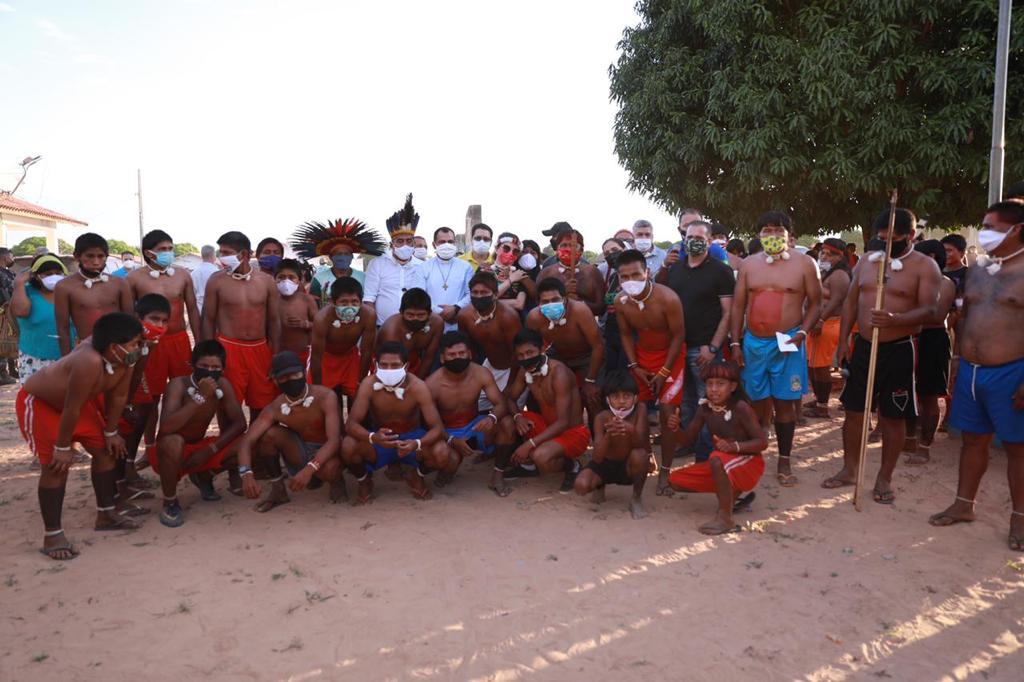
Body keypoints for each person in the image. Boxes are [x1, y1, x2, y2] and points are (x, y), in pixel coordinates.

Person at [822, 208, 941, 504]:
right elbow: (850, 303)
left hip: (900, 348)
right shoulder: (865, 261)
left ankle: (884, 477)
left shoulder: (925, 267)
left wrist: (896, 319)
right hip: (863, 346)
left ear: (911, 236)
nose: (887, 244)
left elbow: (930, 310)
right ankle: (850, 469)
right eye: (882, 238)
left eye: (895, 239)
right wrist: (842, 345)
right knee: (853, 410)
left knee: (893, 415)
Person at [929, 199, 1024, 550]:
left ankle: (1020, 519)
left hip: (1012, 371)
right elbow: (966, 315)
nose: (985, 232)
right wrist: (957, 359)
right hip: (970, 369)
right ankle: (964, 504)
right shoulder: (978, 268)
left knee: (1017, 448)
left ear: (1017, 230)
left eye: (992, 226)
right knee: (972, 440)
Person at [16, 312, 144, 560]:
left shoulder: (125, 358)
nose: (138, 348)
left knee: (107, 451)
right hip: (42, 405)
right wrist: (63, 446)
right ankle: (52, 534)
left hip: (75, 405)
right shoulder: (89, 361)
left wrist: (111, 431)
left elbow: (118, 396)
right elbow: (70, 408)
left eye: (139, 342)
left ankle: (106, 514)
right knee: (56, 466)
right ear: (112, 347)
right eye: (133, 344)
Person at [731, 211, 821, 487]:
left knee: (785, 402)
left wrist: (803, 332)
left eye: (777, 230)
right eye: (766, 231)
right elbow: (738, 305)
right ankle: (757, 449)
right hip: (754, 343)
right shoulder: (748, 265)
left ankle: (784, 459)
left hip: (789, 341)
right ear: (758, 235)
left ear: (789, 235)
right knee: (756, 401)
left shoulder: (805, 264)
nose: (772, 236)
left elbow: (816, 303)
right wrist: (735, 342)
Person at [149, 340, 247, 527]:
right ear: (192, 365)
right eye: (204, 366)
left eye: (215, 367)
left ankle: (204, 476)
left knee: (247, 442)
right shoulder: (177, 385)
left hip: (201, 449)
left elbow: (239, 423)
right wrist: (199, 397)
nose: (210, 371)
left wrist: (211, 449)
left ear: (223, 369)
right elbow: (166, 429)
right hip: (169, 452)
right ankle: (170, 502)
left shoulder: (223, 385)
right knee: (173, 441)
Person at [124, 229, 202, 464]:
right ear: (149, 253)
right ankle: (150, 448)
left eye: (170, 248)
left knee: (186, 393)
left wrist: (198, 343)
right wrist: (136, 346)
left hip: (179, 341)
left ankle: (183, 443)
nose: (168, 253)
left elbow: (192, 310)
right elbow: (129, 314)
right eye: (163, 250)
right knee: (149, 399)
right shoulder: (135, 278)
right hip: (150, 343)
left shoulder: (182, 276)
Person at [341, 341, 453, 502]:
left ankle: (416, 475)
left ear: (406, 367)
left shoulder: (418, 387)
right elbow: (351, 424)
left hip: (412, 436)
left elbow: (438, 428)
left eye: (395, 365)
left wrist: (417, 443)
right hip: (380, 440)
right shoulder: (368, 384)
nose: (389, 370)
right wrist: (373, 437)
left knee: (442, 452)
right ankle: (364, 480)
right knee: (348, 446)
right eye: (384, 365)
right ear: (376, 364)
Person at [613, 249, 686, 494]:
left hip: (671, 358)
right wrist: (635, 365)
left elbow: (678, 335)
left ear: (648, 272)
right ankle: (647, 459)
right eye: (624, 277)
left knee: (667, 414)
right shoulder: (620, 302)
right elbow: (625, 334)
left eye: (636, 274)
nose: (630, 281)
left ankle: (665, 472)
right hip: (642, 359)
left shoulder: (668, 299)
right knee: (640, 412)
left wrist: (665, 371)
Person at [665, 360, 768, 534]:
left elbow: (762, 442)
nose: (713, 389)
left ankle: (725, 518)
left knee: (716, 458)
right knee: (675, 480)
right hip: (724, 463)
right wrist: (675, 429)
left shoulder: (741, 408)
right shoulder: (705, 408)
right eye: (710, 384)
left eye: (720, 384)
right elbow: (687, 439)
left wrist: (733, 446)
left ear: (733, 386)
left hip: (749, 463)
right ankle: (729, 498)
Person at [662, 221, 735, 463]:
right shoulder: (676, 269)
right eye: (689, 235)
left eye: (699, 236)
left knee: (710, 404)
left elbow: (728, 313)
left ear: (710, 240)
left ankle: (706, 456)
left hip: (705, 350)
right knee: (686, 401)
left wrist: (714, 347)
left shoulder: (720, 271)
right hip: (679, 349)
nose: (693, 240)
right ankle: (688, 444)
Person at [238, 351, 346, 511]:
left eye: (294, 374)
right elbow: (247, 441)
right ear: (275, 381)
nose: (290, 380)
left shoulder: (325, 396)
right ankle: (278, 490)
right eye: (284, 378)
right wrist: (246, 473)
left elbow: (334, 440)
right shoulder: (275, 407)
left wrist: (309, 469)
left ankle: (336, 482)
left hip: (328, 450)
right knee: (268, 435)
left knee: (330, 469)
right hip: (301, 449)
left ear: (303, 372)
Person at [200, 231, 281, 419]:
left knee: (262, 406)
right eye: (220, 252)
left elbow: (274, 321)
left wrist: (275, 354)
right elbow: (208, 319)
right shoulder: (216, 280)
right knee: (227, 405)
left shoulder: (266, 282)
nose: (222, 257)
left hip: (260, 349)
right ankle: (228, 447)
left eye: (226, 252)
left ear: (243, 254)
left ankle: (256, 446)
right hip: (228, 348)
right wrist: (207, 355)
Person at [499, 329, 591, 493]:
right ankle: (529, 468)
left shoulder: (559, 373)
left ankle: (572, 465)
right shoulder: (524, 371)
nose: (526, 358)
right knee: (507, 421)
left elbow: (563, 422)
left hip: (572, 433)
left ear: (542, 349)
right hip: (547, 426)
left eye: (530, 352)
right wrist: (518, 416)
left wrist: (529, 444)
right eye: (521, 355)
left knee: (540, 456)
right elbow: (510, 399)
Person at [425, 331, 514, 492]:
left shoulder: (481, 373)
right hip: (446, 431)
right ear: (442, 358)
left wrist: (491, 418)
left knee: (506, 423)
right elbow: (430, 423)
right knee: (449, 459)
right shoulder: (432, 384)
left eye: (461, 353)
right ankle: (446, 471)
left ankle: (497, 475)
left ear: (470, 354)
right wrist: (451, 439)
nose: (457, 357)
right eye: (452, 355)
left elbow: (500, 403)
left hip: (475, 426)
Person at [573, 369, 651, 519]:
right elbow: (596, 458)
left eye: (626, 396)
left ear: (635, 398)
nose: (621, 401)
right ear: (608, 399)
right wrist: (609, 434)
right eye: (616, 396)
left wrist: (630, 429)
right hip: (605, 465)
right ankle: (599, 486)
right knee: (581, 485)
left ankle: (636, 498)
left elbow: (642, 442)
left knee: (640, 455)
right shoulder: (602, 417)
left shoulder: (640, 409)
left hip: (628, 465)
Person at [903, 240, 955, 464]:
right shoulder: (915, 280)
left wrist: (904, 313)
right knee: (907, 392)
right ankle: (909, 439)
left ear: (931, 257)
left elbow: (935, 315)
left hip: (933, 341)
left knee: (929, 396)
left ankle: (924, 446)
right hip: (910, 338)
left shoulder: (945, 283)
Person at [526, 277, 604, 419]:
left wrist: (590, 381)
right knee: (545, 396)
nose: (551, 304)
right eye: (545, 302)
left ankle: (597, 435)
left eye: (555, 299)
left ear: (565, 299)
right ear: (538, 303)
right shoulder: (534, 318)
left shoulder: (580, 311)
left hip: (587, 357)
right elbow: (532, 347)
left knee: (593, 400)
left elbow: (598, 346)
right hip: (557, 358)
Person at [54, 233, 133, 356]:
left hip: (118, 348)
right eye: (90, 256)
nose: (96, 262)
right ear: (77, 256)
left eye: (101, 256)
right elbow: (63, 328)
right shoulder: (64, 287)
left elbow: (130, 320)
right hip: (85, 350)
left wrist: (130, 351)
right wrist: (67, 359)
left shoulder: (119, 283)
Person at [456, 271, 523, 411]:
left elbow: (518, 354)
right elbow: (468, 349)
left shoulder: (508, 317)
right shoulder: (465, 316)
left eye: (484, 292)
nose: (479, 296)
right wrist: (472, 377)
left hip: (515, 370)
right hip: (489, 367)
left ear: (495, 294)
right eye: (475, 292)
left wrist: (510, 385)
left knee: (509, 412)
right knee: (474, 406)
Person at [803, 238, 851, 419]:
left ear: (839, 255)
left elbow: (837, 301)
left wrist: (820, 320)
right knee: (814, 365)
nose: (823, 256)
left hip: (828, 323)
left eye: (827, 253)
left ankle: (822, 406)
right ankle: (819, 399)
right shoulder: (828, 272)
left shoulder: (840, 275)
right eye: (822, 252)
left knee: (821, 367)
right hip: (820, 323)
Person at [309, 276, 376, 403]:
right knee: (329, 400)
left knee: (357, 398)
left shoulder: (368, 315)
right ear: (333, 302)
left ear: (361, 302)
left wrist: (360, 381)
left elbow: (367, 351)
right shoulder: (322, 318)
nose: (349, 307)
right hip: (325, 359)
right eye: (344, 302)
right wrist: (318, 389)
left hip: (351, 357)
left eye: (354, 302)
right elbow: (316, 357)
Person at [293, 218, 386, 307]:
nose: (343, 257)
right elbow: (312, 303)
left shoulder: (363, 277)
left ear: (351, 257)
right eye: (339, 254)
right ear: (331, 257)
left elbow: (368, 301)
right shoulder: (319, 278)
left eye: (346, 254)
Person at [363, 194, 427, 324]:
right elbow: (369, 300)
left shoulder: (422, 266)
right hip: (383, 326)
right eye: (400, 241)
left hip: (414, 325)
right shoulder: (377, 264)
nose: (405, 245)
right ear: (392, 244)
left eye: (409, 241)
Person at [10, 254, 71, 383]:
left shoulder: (69, 292)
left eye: (58, 273)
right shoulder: (26, 291)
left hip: (67, 356)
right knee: (36, 399)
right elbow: (21, 312)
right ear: (36, 276)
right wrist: (19, 284)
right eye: (48, 274)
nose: (53, 276)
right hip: (35, 358)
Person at [536, 226, 605, 316]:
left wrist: (580, 303)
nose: (568, 249)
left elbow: (601, 308)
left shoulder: (592, 272)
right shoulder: (546, 273)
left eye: (573, 245)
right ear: (557, 250)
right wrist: (562, 293)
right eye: (564, 245)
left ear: (581, 250)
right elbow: (538, 306)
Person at [376, 288, 443, 378]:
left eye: (421, 315)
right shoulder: (392, 329)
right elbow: (390, 363)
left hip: (415, 365)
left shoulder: (437, 323)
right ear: (401, 312)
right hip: (388, 367)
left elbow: (429, 357)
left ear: (429, 313)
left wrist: (419, 382)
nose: (415, 319)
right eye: (410, 315)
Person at [422, 226, 473, 332]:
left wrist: (456, 308)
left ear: (455, 243)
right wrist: (440, 312)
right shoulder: (423, 267)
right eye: (442, 242)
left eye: (450, 241)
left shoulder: (465, 267)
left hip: (458, 321)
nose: (447, 245)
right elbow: (419, 294)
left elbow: (471, 294)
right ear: (434, 244)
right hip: (432, 322)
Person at [275, 258, 318, 366]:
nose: (286, 281)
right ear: (274, 279)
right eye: (281, 277)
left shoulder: (307, 300)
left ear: (299, 280)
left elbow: (320, 325)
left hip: (303, 354)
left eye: (291, 277)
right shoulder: (271, 300)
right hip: (279, 355)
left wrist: (305, 324)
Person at [597, 238, 628, 373]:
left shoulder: (637, 275)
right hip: (612, 332)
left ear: (624, 250)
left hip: (629, 333)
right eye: (607, 253)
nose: (611, 254)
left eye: (615, 250)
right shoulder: (612, 277)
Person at [494, 232, 534, 311]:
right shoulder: (485, 269)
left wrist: (492, 301)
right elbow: (485, 299)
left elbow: (519, 304)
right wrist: (511, 280)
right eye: (506, 248)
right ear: (496, 249)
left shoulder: (520, 274)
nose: (510, 253)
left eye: (515, 251)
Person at [659, 208, 703, 274]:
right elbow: (663, 282)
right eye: (686, 225)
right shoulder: (674, 250)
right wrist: (664, 265)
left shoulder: (716, 251)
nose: (691, 228)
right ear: (679, 230)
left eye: (696, 224)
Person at [190, 245, 220, 314]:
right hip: (215, 309)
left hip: (199, 309)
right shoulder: (217, 272)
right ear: (213, 256)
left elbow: (192, 294)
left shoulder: (194, 273)